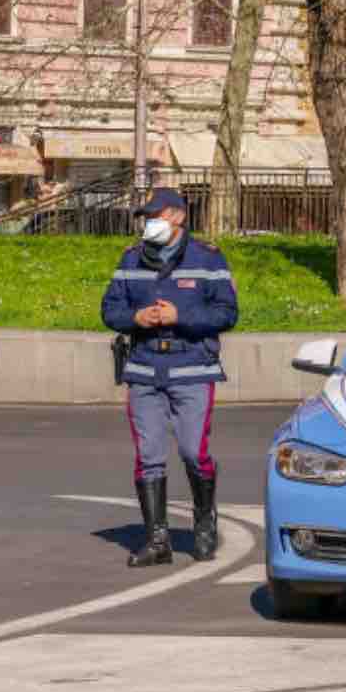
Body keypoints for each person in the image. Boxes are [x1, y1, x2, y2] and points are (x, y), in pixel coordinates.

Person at [101, 188, 238, 567]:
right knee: (149, 457)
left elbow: (227, 314)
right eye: (145, 216)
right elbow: (110, 309)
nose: (148, 223)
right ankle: (157, 539)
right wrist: (135, 318)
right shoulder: (131, 258)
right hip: (145, 370)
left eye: (154, 215)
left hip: (192, 368)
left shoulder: (208, 258)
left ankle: (204, 517)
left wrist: (181, 317)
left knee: (195, 452)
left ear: (177, 216)